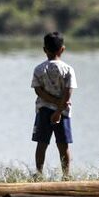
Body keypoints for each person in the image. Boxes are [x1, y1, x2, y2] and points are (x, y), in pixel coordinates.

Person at [31, 31, 77, 179]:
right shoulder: (68, 69)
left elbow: (38, 91)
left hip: (43, 111)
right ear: (62, 49)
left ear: (44, 49)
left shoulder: (39, 69)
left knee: (42, 143)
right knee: (63, 145)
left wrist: (52, 102)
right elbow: (68, 92)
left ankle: (39, 173)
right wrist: (59, 108)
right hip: (63, 113)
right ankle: (66, 175)